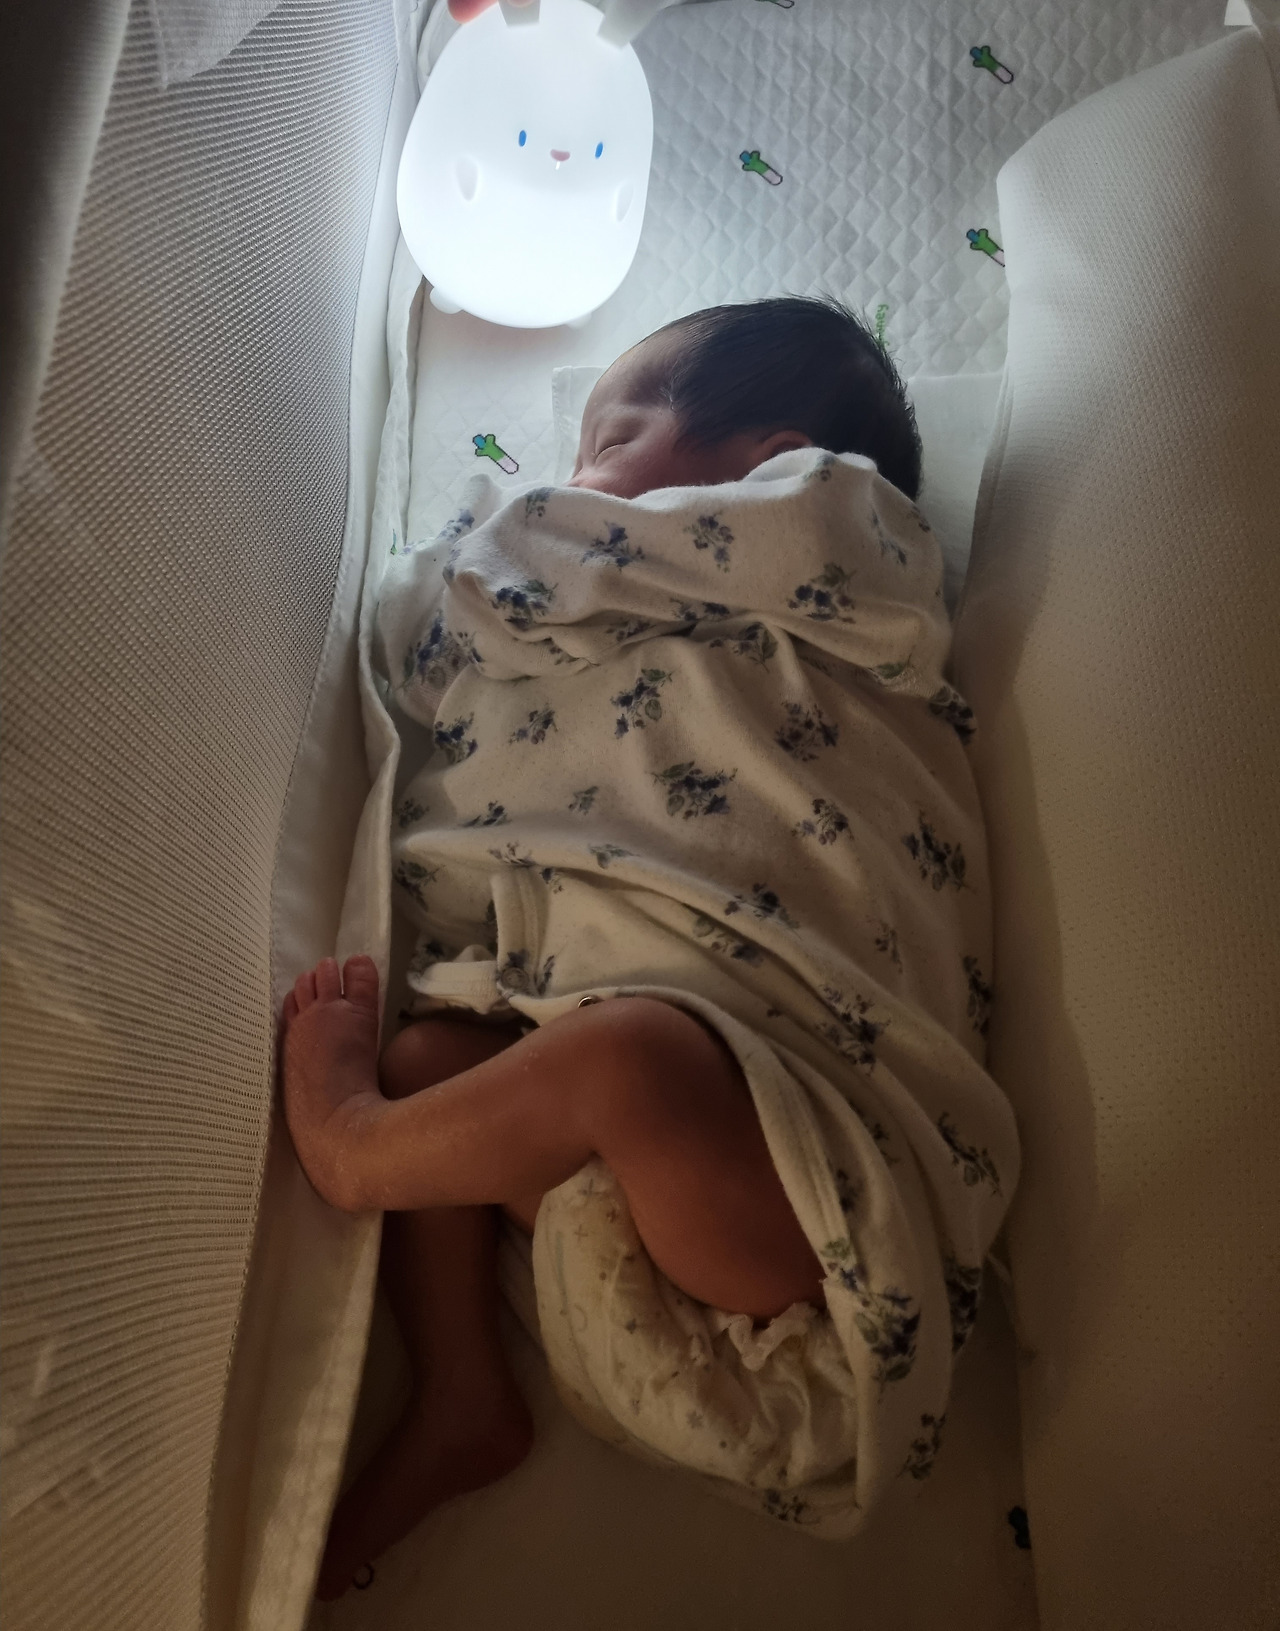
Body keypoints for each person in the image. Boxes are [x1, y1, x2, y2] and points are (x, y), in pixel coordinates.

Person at [281, 295, 1007, 1599]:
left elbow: (479, 595)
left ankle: (350, 1154)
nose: (573, 483)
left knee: (628, 1062)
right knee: (439, 1059)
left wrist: (498, 529)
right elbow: (469, 685)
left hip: (826, 1245)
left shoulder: (844, 539)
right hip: (670, 1259)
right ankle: (462, 1397)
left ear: (767, 460)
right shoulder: (629, 616)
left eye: (611, 438)